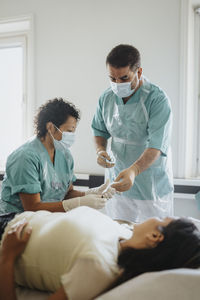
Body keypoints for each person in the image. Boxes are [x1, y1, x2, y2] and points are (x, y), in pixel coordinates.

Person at [0, 208, 200, 300]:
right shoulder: (124, 233)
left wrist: (8, 256)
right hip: (15, 216)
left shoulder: (98, 266)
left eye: (163, 218)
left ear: (155, 236)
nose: (155, 216)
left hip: (4, 240)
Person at [92, 44, 174, 222]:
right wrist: (100, 150)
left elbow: (156, 145)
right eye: (112, 78)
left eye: (124, 78)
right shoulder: (106, 98)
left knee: (155, 242)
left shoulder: (157, 99)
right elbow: (99, 129)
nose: (117, 84)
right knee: (120, 234)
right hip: (118, 179)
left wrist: (135, 170)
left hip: (150, 185)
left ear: (139, 71)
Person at [0, 98, 115, 214]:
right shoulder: (25, 157)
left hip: (46, 218)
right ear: (50, 127)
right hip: (15, 220)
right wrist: (80, 203)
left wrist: (90, 194)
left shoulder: (65, 155)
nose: (71, 136)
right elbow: (32, 208)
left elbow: (67, 194)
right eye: (68, 131)